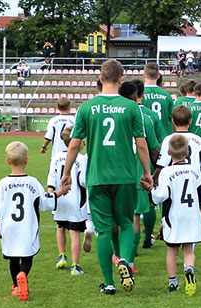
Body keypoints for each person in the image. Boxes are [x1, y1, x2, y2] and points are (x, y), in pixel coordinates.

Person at [61, 60, 152, 295]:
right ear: (121, 80)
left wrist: (66, 174)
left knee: (103, 229)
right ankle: (124, 261)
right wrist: (146, 173)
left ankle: (109, 283)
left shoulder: (86, 108)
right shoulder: (131, 107)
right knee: (125, 223)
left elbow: (74, 146)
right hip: (125, 176)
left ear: (101, 79)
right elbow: (141, 145)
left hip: (97, 177)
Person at [0, 142, 66, 301]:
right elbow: (46, 202)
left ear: (7, 161)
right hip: (27, 226)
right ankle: (23, 274)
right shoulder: (32, 182)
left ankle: (15, 286)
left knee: (13, 257)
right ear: (26, 160)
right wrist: (60, 192)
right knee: (27, 258)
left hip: (9, 227)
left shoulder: (2, 184)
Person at [150, 135, 201, 296]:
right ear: (187, 152)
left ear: (168, 152)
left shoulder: (166, 172)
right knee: (189, 250)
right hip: (191, 215)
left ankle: (173, 281)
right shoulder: (195, 170)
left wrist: (151, 189)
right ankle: (189, 269)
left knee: (172, 251)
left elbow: (160, 196)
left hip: (173, 217)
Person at [120, 80, 161, 259]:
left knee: (122, 218)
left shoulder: (117, 114)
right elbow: (153, 148)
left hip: (118, 170)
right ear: (139, 95)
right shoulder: (148, 116)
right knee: (140, 212)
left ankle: (124, 253)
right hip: (140, 170)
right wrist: (155, 171)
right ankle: (138, 248)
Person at [46, 127, 88, 276]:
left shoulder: (56, 156)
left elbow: (51, 177)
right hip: (75, 200)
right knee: (75, 232)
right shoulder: (82, 158)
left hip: (60, 199)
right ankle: (75, 266)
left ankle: (62, 256)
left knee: (60, 227)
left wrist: (51, 194)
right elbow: (83, 180)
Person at [155, 106, 201, 189]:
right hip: (194, 182)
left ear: (173, 122)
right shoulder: (199, 140)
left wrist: (155, 179)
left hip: (173, 183)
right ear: (190, 121)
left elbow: (161, 165)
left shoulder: (168, 140)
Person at [143, 62, 174, 140]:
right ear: (158, 76)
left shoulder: (139, 95)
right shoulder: (167, 96)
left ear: (144, 75)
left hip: (146, 138)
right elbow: (172, 118)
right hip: (164, 138)